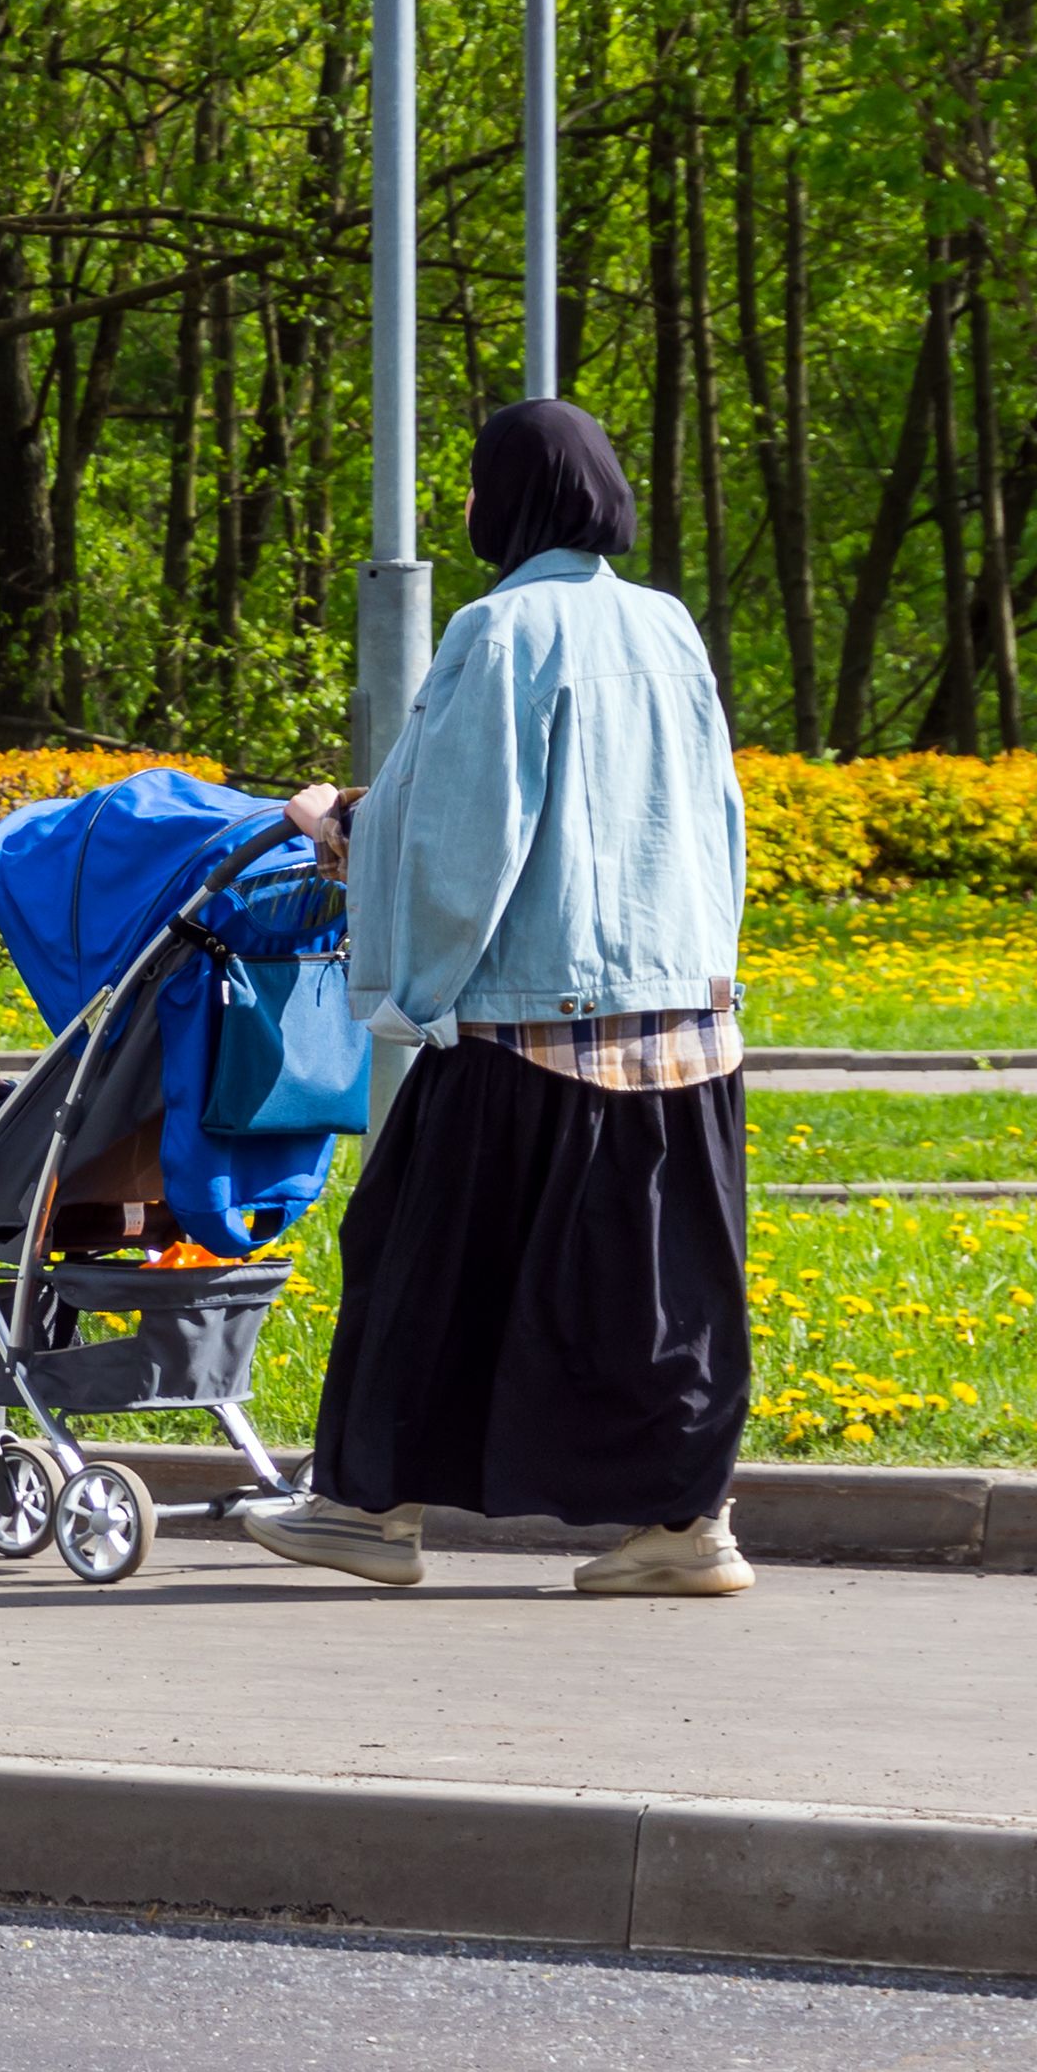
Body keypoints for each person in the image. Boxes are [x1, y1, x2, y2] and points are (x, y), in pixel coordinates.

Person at [249, 398, 755, 1598]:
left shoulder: (499, 630)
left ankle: (367, 1510)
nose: (466, 506)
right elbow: (715, 813)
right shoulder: (667, 623)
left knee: (415, 1257)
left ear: (514, 496)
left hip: (534, 1019)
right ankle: (689, 1526)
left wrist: (343, 832)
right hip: (684, 1015)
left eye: (476, 482)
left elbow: (464, 834)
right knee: (652, 1286)